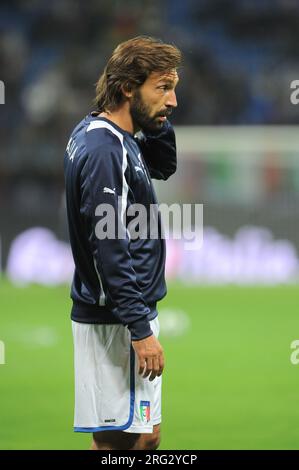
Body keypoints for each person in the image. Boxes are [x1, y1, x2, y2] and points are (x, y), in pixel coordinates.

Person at [64, 36, 181, 450]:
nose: (173, 100)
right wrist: (139, 327)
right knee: (122, 444)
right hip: (114, 318)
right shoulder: (103, 149)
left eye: (174, 88)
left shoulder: (115, 136)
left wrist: (160, 117)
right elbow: (108, 245)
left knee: (143, 437)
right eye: (162, 88)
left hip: (124, 311)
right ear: (128, 87)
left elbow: (164, 166)